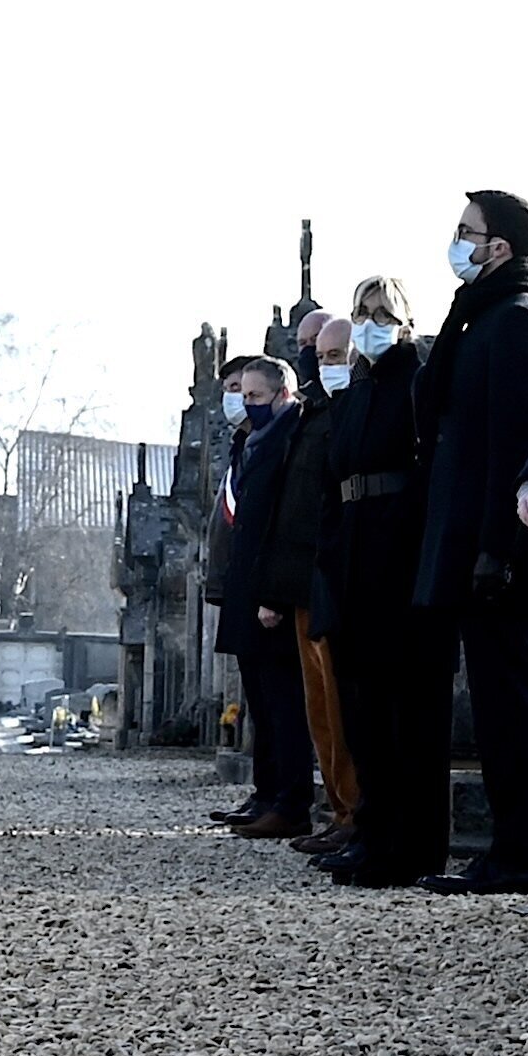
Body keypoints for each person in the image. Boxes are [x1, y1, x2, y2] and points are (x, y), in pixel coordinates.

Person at [414, 190, 528, 893]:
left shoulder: (516, 323)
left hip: (494, 548)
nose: (456, 241)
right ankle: (505, 848)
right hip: (467, 537)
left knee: (506, 701)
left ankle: (519, 851)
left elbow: (516, 443)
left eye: (466, 232)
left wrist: (495, 548)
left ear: (498, 245)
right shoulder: (480, 317)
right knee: (497, 696)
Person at [300, 273, 434, 881]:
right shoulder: (353, 394)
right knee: (360, 710)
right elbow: (333, 487)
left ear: (403, 321)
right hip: (351, 554)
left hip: (395, 551)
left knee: (400, 709)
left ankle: (407, 843)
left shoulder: (417, 384)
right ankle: (371, 827)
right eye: (363, 313)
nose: (371, 323)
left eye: (383, 313)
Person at [206, 344, 319, 840]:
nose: (245, 402)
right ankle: (266, 791)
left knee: (284, 703)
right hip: (245, 586)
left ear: (282, 394)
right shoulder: (250, 442)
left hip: (271, 590)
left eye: (254, 394)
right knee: (261, 701)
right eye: (238, 392)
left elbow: (286, 518)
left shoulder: (288, 438)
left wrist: (271, 591)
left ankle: (289, 799)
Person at [283, 311, 375, 859]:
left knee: (343, 702)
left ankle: (354, 808)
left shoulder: (347, 410)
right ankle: (342, 809)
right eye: (313, 353)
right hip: (309, 575)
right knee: (322, 706)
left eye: (327, 351)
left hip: (338, 570)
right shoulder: (316, 412)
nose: (317, 361)